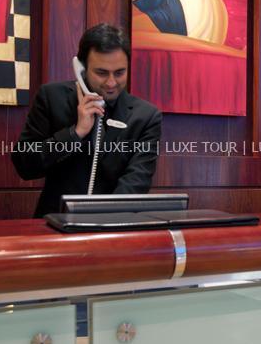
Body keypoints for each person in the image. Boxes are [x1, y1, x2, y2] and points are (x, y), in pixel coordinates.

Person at [12, 24, 163, 217]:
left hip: (113, 225)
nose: (111, 83)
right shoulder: (51, 98)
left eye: (119, 72)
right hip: (54, 223)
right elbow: (25, 165)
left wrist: (104, 223)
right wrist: (75, 133)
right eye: (101, 73)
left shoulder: (146, 116)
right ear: (81, 68)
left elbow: (136, 181)